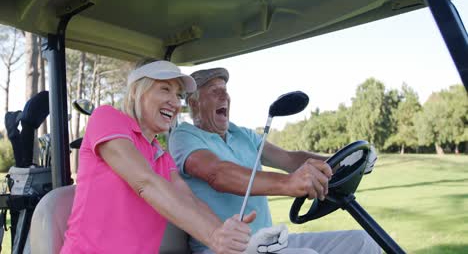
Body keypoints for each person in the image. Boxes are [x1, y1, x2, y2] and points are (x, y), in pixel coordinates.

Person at [169, 67, 381, 254]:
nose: (225, 96)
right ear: (194, 103)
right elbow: (218, 174)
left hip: (269, 241)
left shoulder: (242, 134)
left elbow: (290, 158)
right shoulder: (184, 136)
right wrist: (288, 183)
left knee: (363, 243)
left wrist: (345, 160)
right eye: (215, 91)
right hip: (224, 248)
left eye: (226, 90)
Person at [60, 61, 256, 254]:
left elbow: (189, 201)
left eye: (178, 94)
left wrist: (226, 234)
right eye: (164, 89)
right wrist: (214, 237)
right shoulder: (107, 117)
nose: (175, 102)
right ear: (138, 91)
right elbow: (145, 182)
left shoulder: (161, 156)